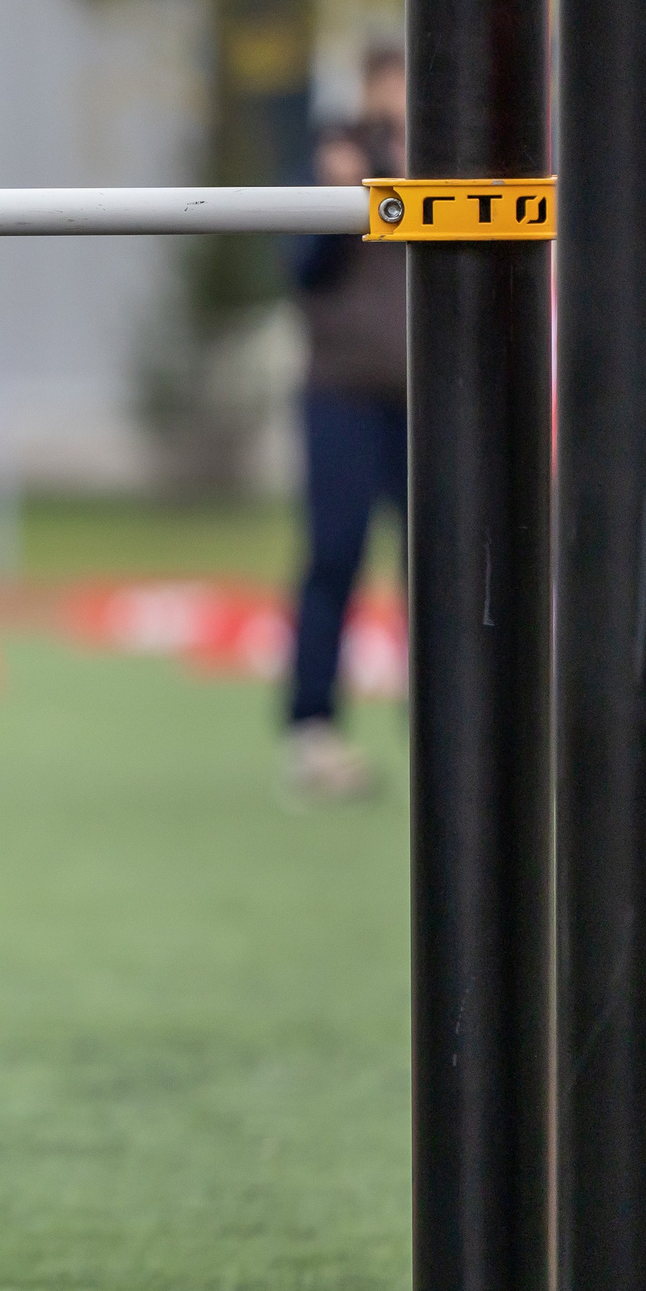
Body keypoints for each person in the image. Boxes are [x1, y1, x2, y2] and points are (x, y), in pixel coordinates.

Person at [284, 43, 408, 803]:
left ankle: (445, 728)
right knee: (334, 556)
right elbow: (300, 272)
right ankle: (313, 731)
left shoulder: (452, 164)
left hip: (433, 400)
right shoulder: (336, 159)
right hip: (342, 394)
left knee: (445, 566)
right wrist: (341, 201)